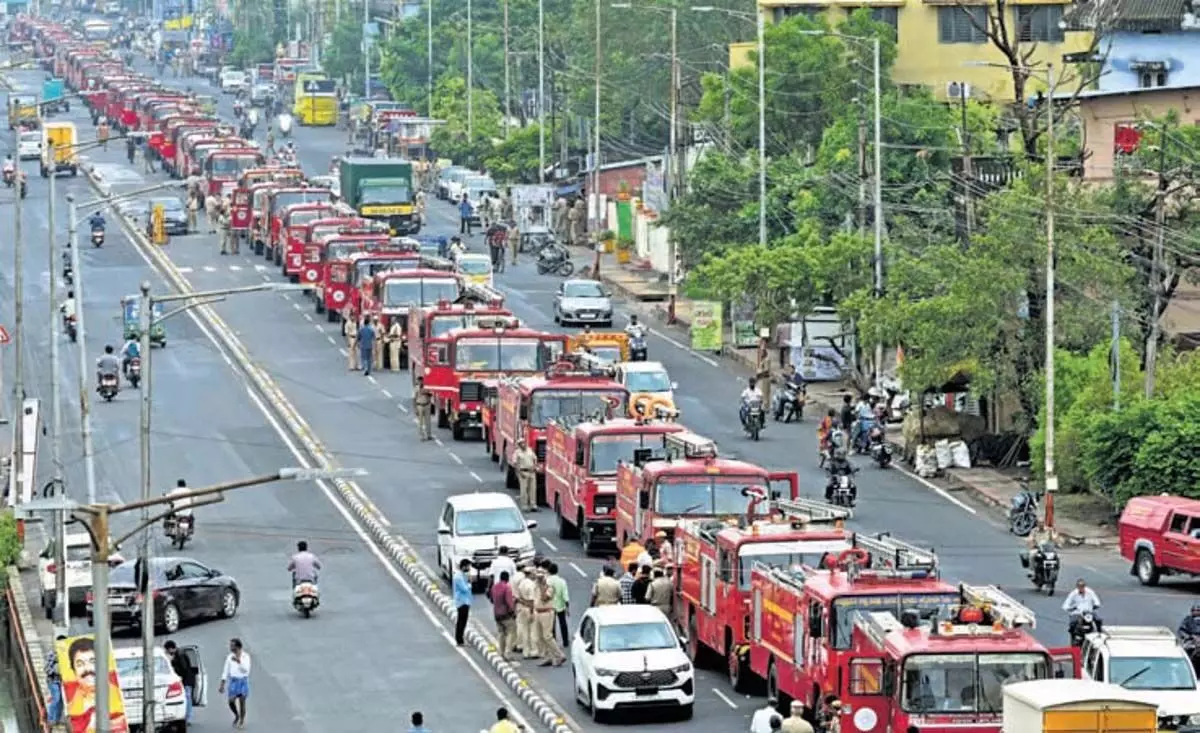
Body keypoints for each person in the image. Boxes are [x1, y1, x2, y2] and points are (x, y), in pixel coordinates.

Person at [533, 567, 564, 667]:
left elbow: (544, 598)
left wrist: (543, 585)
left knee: (547, 636)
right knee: (539, 637)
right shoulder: (536, 585)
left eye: (540, 577)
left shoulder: (549, 587)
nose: (538, 579)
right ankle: (548, 657)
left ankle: (559, 655)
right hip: (538, 612)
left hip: (547, 613)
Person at [218, 638, 251, 729]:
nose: (230, 647)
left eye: (232, 645)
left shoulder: (246, 656)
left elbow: (246, 670)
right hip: (233, 681)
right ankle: (236, 715)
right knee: (231, 701)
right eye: (230, 645)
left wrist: (238, 661)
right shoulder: (229, 657)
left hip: (243, 681)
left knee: (242, 701)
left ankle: (242, 721)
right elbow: (225, 671)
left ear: (237, 646)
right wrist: (222, 684)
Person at [163, 640, 197, 723]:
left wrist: (172, 662)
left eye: (167, 650)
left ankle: (186, 718)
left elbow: (184, 668)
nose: (167, 652)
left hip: (187, 680)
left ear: (171, 648)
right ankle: (185, 717)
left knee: (187, 698)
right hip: (185, 679)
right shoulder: (179, 653)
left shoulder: (180, 655)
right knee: (186, 698)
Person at [491, 570, 518, 660]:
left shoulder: (494, 587)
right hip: (506, 614)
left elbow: (492, 599)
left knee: (501, 633)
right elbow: (509, 602)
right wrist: (513, 612)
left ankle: (501, 652)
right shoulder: (507, 588)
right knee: (511, 633)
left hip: (496, 613)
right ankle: (508, 653)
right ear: (507, 578)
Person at [515, 562, 539, 658]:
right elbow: (532, 600)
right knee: (533, 631)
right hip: (530, 608)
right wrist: (532, 611)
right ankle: (534, 651)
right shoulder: (531, 585)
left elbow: (519, 597)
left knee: (525, 631)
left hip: (522, 608)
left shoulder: (521, 583)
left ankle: (526, 652)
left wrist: (523, 603)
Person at [548, 562, 570, 645]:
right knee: (563, 623)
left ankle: (553, 641)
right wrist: (567, 607)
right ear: (557, 571)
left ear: (549, 571)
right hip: (560, 605)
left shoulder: (547, 580)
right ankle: (565, 641)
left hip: (549, 606)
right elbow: (565, 595)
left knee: (551, 624)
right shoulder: (562, 581)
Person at [513, 439, 537, 512]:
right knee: (524, 490)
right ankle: (524, 506)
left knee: (532, 489)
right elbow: (515, 463)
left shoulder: (530, 450)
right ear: (519, 445)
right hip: (523, 472)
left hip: (531, 472)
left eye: (524, 443)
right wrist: (520, 473)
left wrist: (534, 467)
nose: (523, 444)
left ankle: (533, 505)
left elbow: (535, 459)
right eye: (521, 443)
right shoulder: (517, 453)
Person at [453, 558, 473, 646]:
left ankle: (460, 639)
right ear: (464, 566)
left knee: (463, 621)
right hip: (462, 602)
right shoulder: (458, 576)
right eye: (468, 566)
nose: (469, 568)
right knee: (461, 621)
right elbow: (464, 589)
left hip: (465, 601)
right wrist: (469, 583)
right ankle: (459, 640)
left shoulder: (462, 575)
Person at [47, 634, 65, 725]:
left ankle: (57, 719)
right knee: (56, 698)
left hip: (62, 681)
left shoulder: (66, 654)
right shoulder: (52, 654)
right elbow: (47, 669)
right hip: (53, 681)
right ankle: (50, 719)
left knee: (61, 700)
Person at [414, 376, 433, 440]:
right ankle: (422, 436)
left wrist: (426, 392)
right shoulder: (416, 388)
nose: (420, 382)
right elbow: (414, 398)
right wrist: (415, 408)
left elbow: (431, 394)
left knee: (428, 421)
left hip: (427, 405)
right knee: (420, 422)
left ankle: (429, 435)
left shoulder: (427, 387)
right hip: (420, 405)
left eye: (421, 381)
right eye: (419, 381)